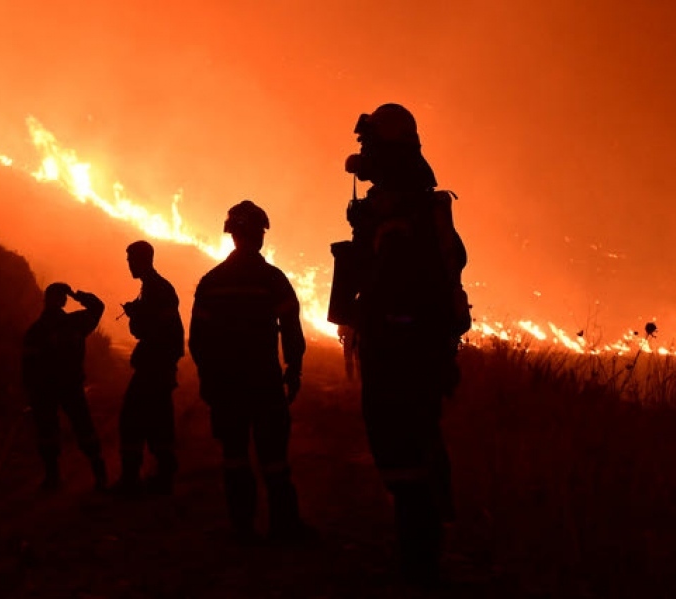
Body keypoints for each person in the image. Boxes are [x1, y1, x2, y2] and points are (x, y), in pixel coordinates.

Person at [331, 103, 468, 584]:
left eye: (369, 146)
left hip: (403, 349)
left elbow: (402, 288)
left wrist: (387, 328)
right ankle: (417, 551)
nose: (361, 157)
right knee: (404, 447)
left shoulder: (403, 213)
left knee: (404, 447)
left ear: (389, 149)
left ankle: (420, 562)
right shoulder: (399, 206)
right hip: (403, 346)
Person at [189, 200, 312, 543]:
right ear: (259, 235)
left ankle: (241, 528)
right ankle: (284, 526)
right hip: (263, 382)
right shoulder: (272, 279)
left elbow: (198, 340)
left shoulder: (211, 282)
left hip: (227, 385)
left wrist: (208, 378)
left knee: (234, 456)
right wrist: (294, 368)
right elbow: (290, 328)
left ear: (232, 235)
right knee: (273, 457)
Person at [110, 240, 185, 495]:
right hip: (157, 365)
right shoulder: (151, 288)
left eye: (131, 259)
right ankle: (162, 476)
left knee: (131, 419)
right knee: (157, 421)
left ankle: (133, 480)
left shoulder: (158, 289)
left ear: (144, 259)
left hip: (156, 365)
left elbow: (160, 329)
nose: (128, 264)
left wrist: (137, 315)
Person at [22, 282, 108, 491]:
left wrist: (30, 391)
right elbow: (97, 307)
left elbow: (27, 367)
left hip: (51, 390)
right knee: (72, 430)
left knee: (53, 432)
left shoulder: (39, 330)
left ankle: (56, 478)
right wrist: (76, 294)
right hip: (61, 388)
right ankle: (97, 474)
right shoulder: (75, 323)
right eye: (62, 296)